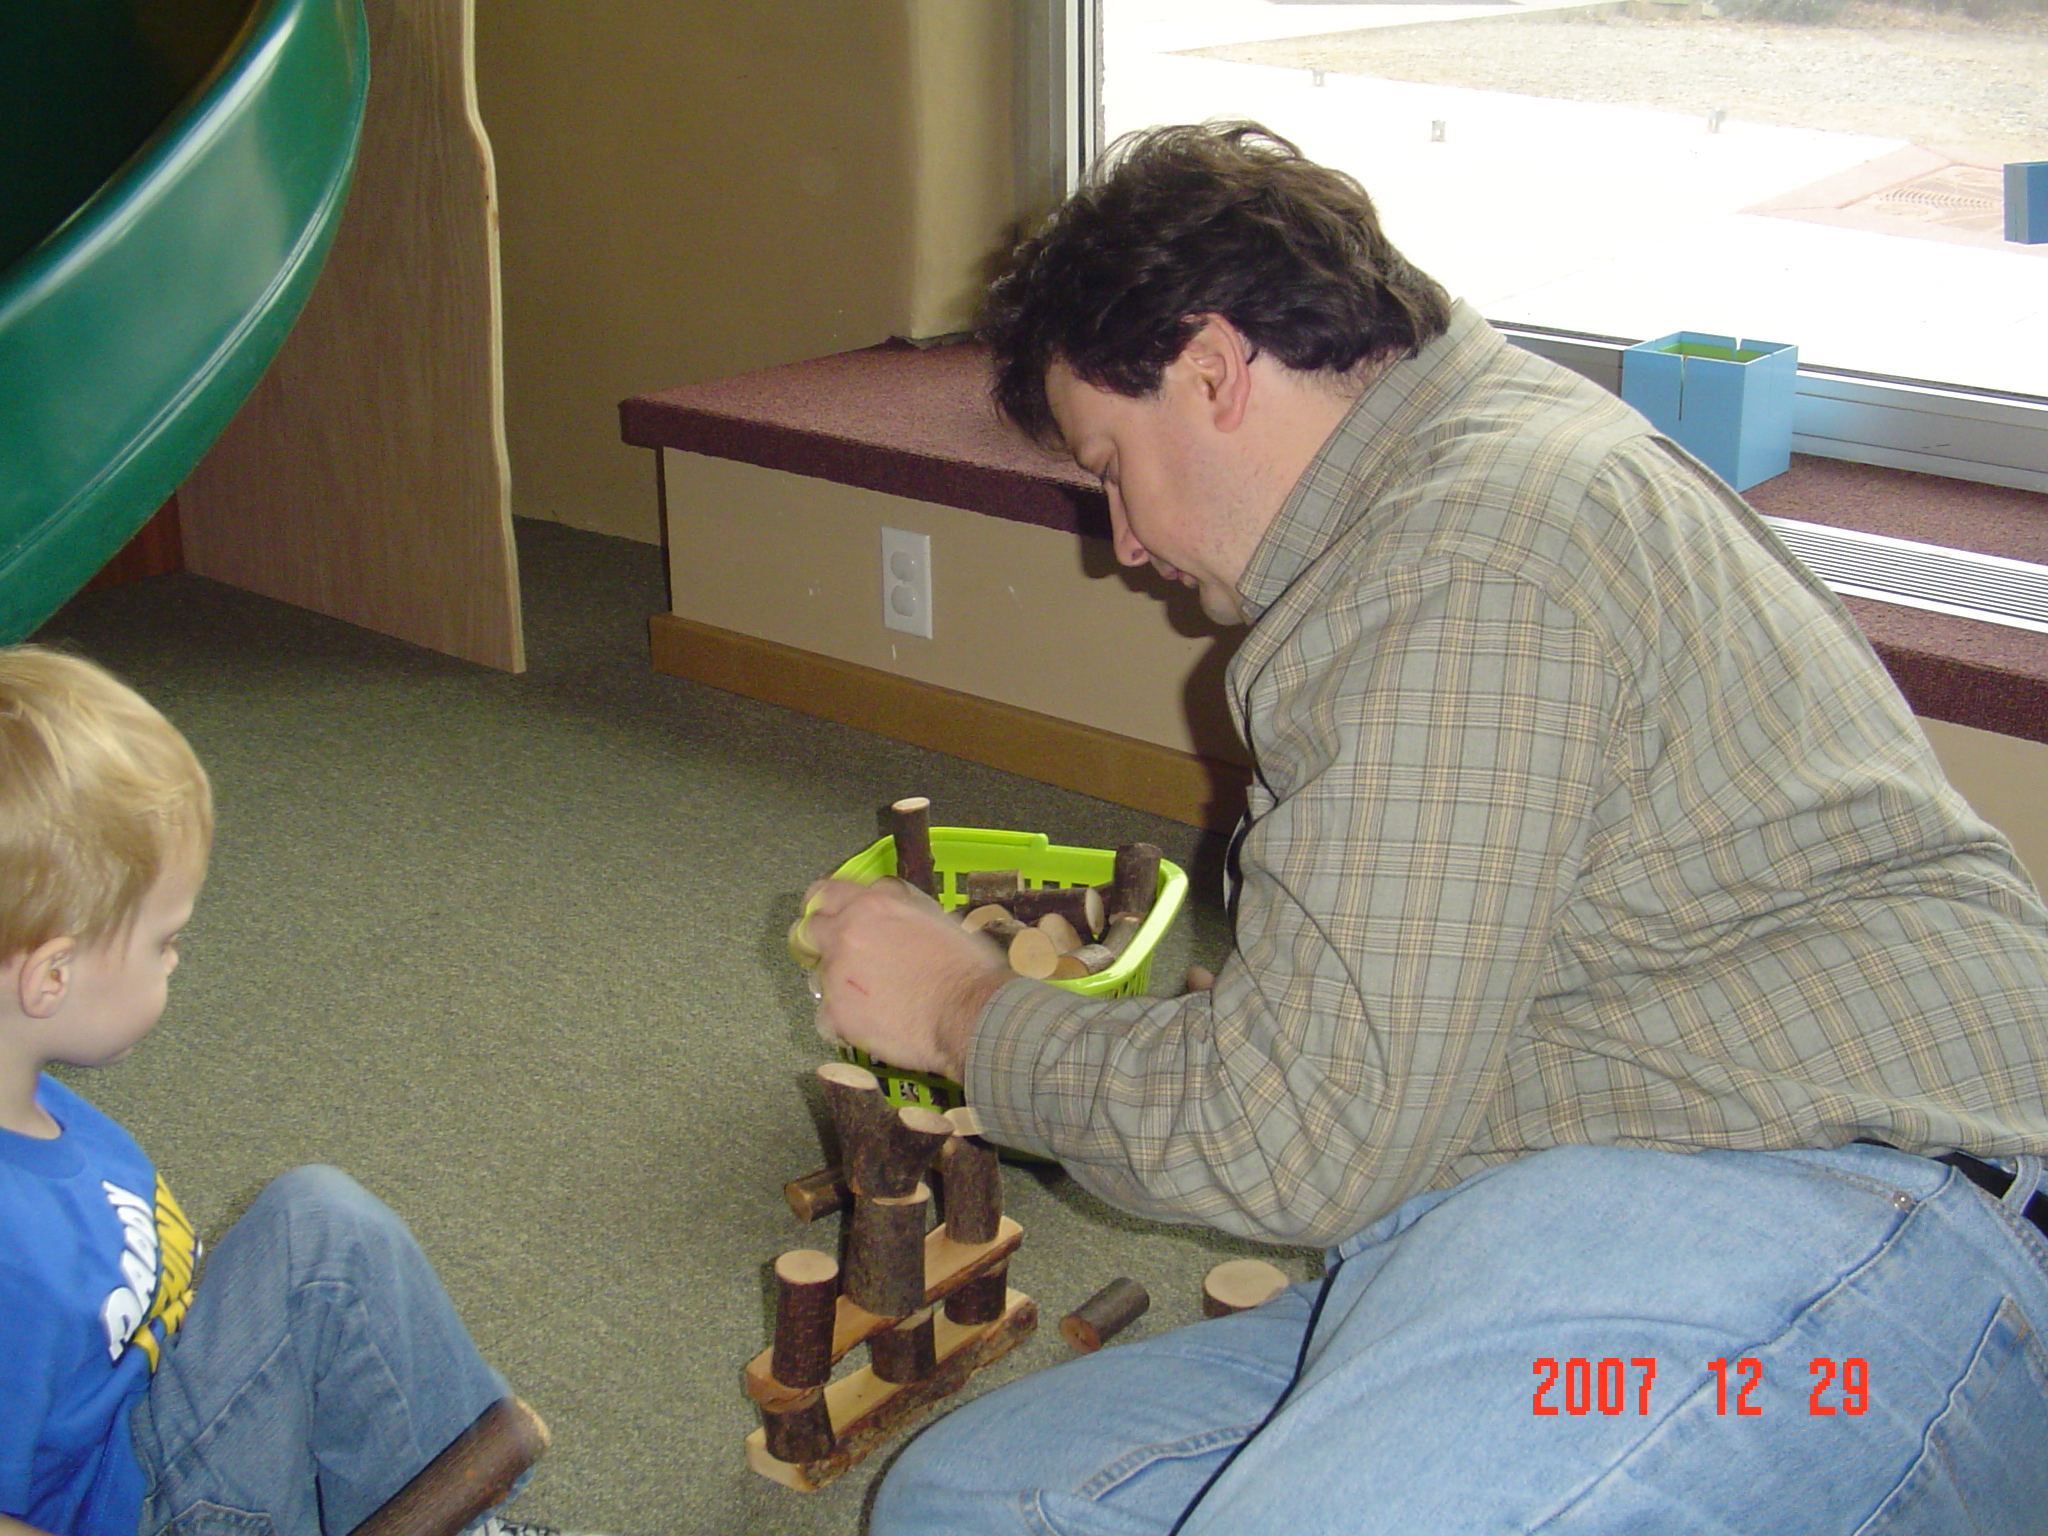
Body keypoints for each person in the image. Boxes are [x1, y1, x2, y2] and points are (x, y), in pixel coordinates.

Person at [798, 123, 2048, 1533]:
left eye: (1107, 464)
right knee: (970, 1501)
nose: (1123, 540)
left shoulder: (1459, 555)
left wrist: (962, 1010)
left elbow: (1294, 1142)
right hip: (1557, 1181)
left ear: (1210, 369)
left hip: (1855, 1222)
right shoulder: (1471, 458)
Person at [0, 646, 548, 1536]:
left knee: (316, 1225)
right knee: (319, 1245)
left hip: (158, 1428)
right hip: (141, 1512)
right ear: (51, 976)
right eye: (163, 939)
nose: (178, 956)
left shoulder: (34, 1106)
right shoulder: (9, 1252)